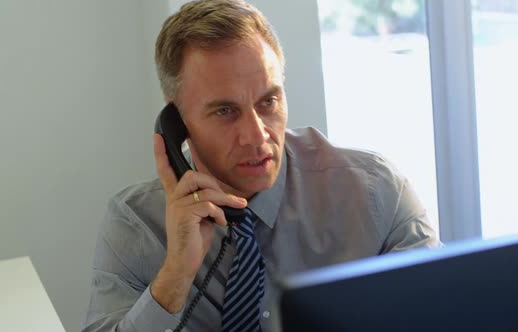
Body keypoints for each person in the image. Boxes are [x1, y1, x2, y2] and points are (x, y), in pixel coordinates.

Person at [81, 0, 441, 331]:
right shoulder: (136, 223)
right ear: (177, 120)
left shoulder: (375, 191)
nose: (256, 136)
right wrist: (176, 273)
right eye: (225, 111)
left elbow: (444, 312)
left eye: (268, 101)